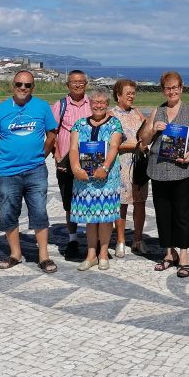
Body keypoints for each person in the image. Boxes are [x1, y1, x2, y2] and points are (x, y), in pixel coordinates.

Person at [0, 70, 58, 272]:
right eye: (19, 84)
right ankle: (15, 254)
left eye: (27, 85)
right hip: (6, 172)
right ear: (13, 85)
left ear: (33, 87)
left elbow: (52, 136)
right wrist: (7, 156)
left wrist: (40, 156)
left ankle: (44, 256)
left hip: (36, 170)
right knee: (8, 211)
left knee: (39, 211)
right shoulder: (0, 110)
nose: (23, 88)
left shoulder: (42, 107)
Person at [140, 71, 189, 279]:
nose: (172, 91)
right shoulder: (157, 111)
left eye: (175, 87)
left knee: (182, 214)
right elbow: (144, 140)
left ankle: (183, 255)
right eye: (168, 88)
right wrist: (153, 129)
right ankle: (169, 253)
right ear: (163, 90)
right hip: (159, 170)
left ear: (181, 88)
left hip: (182, 170)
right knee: (163, 213)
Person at [69, 87, 123, 271]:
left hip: (107, 178)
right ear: (90, 104)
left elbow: (114, 146)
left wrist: (105, 167)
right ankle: (91, 254)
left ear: (107, 104)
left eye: (102, 102)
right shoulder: (79, 124)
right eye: (95, 102)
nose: (98, 105)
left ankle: (103, 253)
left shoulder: (114, 124)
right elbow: (73, 148)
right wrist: (75, 168)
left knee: (106, 217)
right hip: (84, 178)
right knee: (90, 218)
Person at [50, 70, 91, 261]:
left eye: (81, 82)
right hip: (66, 163)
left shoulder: (92, 103)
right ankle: (73, 239)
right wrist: (57, 156)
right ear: (68, 84)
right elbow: (52, 133)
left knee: (90, 200)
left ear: (86, 84)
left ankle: (92, 240)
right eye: (74, 82)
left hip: (89, 162)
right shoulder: (60, 105)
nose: (78, 85)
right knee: (69, 203)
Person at [111, 78, 149, 256]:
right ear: (118, 95)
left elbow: (146, 132)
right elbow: (111, 144)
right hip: (121, 164)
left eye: (133, 93)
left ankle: (138, 240)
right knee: (121, 204)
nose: (131, 96)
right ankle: (120, 240)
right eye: (128, 93)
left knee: (140, 203)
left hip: (139, 164)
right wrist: (135, 145)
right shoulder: (111, 115)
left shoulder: (137, 112)